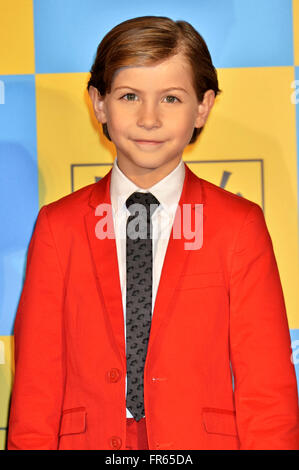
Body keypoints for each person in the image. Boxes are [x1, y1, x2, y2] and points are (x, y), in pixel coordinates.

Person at [7, 15, 299, 450]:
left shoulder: (239, 226)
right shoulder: (57, 227)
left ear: (204, 106)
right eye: (129, 96)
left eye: (171, 99)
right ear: (99, 103)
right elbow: (36, 385)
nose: (149, 118)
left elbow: (267, 388)